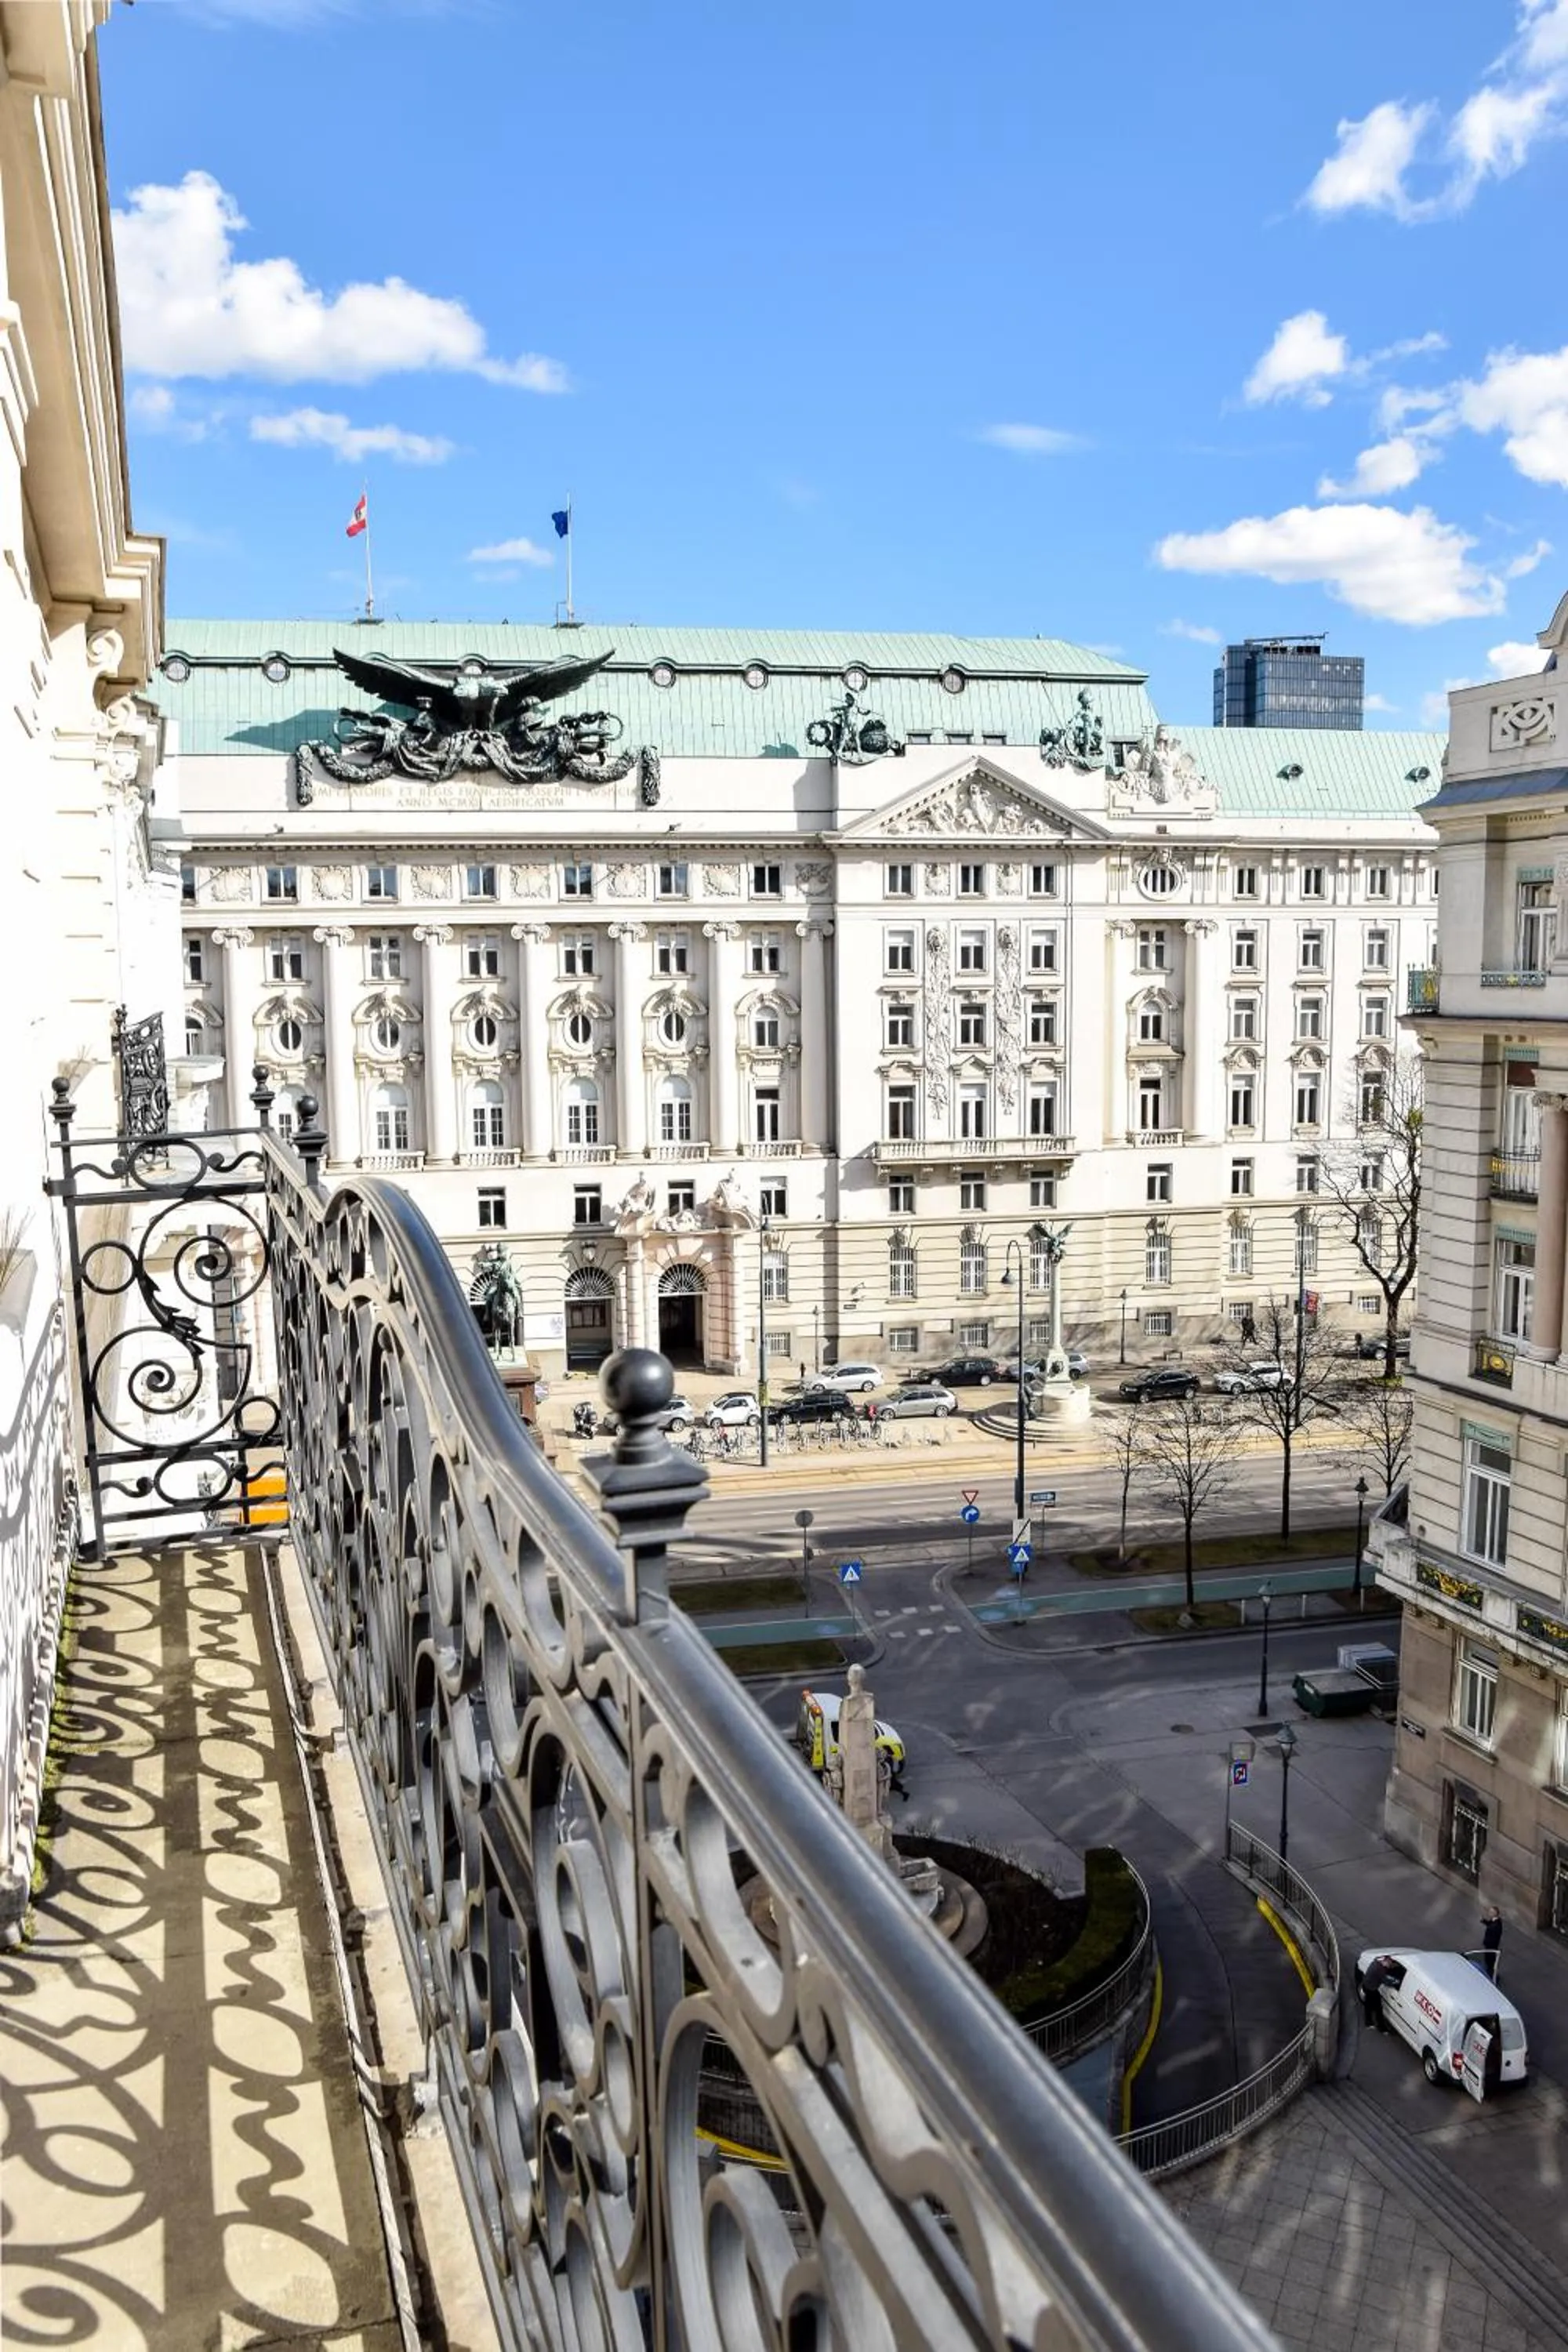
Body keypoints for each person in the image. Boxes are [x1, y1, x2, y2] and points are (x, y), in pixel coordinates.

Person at [1362, 1953, 1395, 2032]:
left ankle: (1368, 2022)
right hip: (1371, 1989)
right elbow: (1387, 1982)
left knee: (1368, 2005)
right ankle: (1382, 2028)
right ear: (1385, 1961)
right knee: (1379, 2009)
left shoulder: (1376, 1962)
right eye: (1389, 1963)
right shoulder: (1380, 1970)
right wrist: (1395, 1982)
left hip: (1366, 1985)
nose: (1389, 1965)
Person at [1481, 1905, 1503, 1982]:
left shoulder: (1497, 1924)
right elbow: (1490, 1924)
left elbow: (1492, 1929)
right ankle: (1490, 1973)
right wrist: (1484, 1921)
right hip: (1489, 1945)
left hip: (1491, 1946)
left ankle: (1493, 1977)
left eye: (1491, 1912)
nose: (1489, 1913)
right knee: (1488, 1960)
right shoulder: (1494, 1921)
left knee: (1490, 1961)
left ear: (1495, 1913)